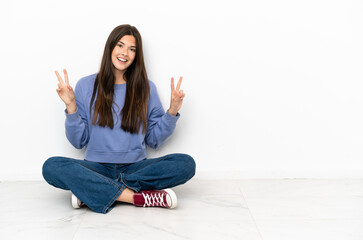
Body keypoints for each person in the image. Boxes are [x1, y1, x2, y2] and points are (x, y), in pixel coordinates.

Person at [42, 24, 196, 214]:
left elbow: (154, 141)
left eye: (132, 49)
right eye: (120, 45)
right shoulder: (85, 85)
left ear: (136, 56)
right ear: (110, 48)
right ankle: (134, 197)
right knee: (51, 166)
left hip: (135, 168)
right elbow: (77, 142)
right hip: (96, 167)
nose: (125, 53)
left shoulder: (146, 88)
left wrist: (172, 112)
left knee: (185, 164)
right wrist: (71, 107)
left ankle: (93, 191)